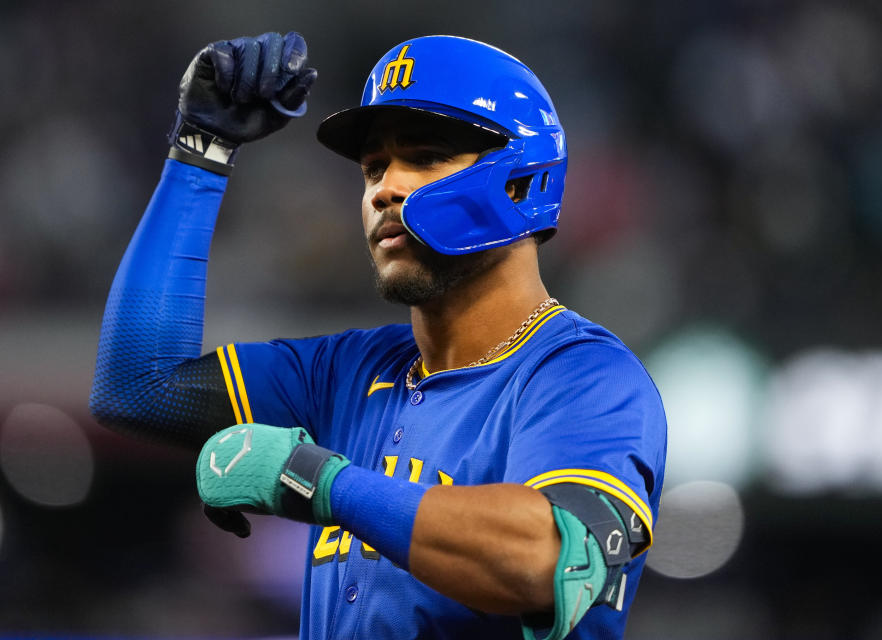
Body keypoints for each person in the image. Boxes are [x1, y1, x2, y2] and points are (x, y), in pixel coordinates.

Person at [90, 31, 667, 640]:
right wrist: (200, 153)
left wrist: (318, 481)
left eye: (423, 156)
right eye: (373, 167)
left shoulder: (585, 377)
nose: (382, 190)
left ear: (521, 180)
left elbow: (548, 559)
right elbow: (138, 386)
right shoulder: (346, 371)